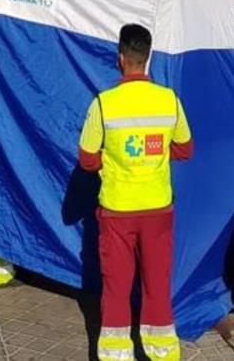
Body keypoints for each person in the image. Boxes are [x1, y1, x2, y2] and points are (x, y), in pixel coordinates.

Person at [77, 24, 194, 361]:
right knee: (157, 285)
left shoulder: (103, 104)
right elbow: (185, 150)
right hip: (158, 209)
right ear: (149, 58)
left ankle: (115, 354)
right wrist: (153, 154)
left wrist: (115, 161)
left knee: (116, 288)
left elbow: (86, 160)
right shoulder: (169, 100)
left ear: (120, 59)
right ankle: (163, 353)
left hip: (117, 211)